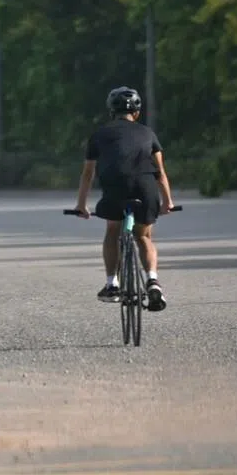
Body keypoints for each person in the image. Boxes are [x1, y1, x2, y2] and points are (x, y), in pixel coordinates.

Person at [72, 86, 174, 311]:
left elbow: (88, 173)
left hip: (115, 189)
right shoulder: (148, 133)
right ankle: (152, 281)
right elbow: (160, 172)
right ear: (136, 113)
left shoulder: (99, 135)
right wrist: (168, 201)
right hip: (145, 188)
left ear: (111, 111)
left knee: (112, 231)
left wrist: (81, 205)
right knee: (144, 236)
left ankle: (112, 284)